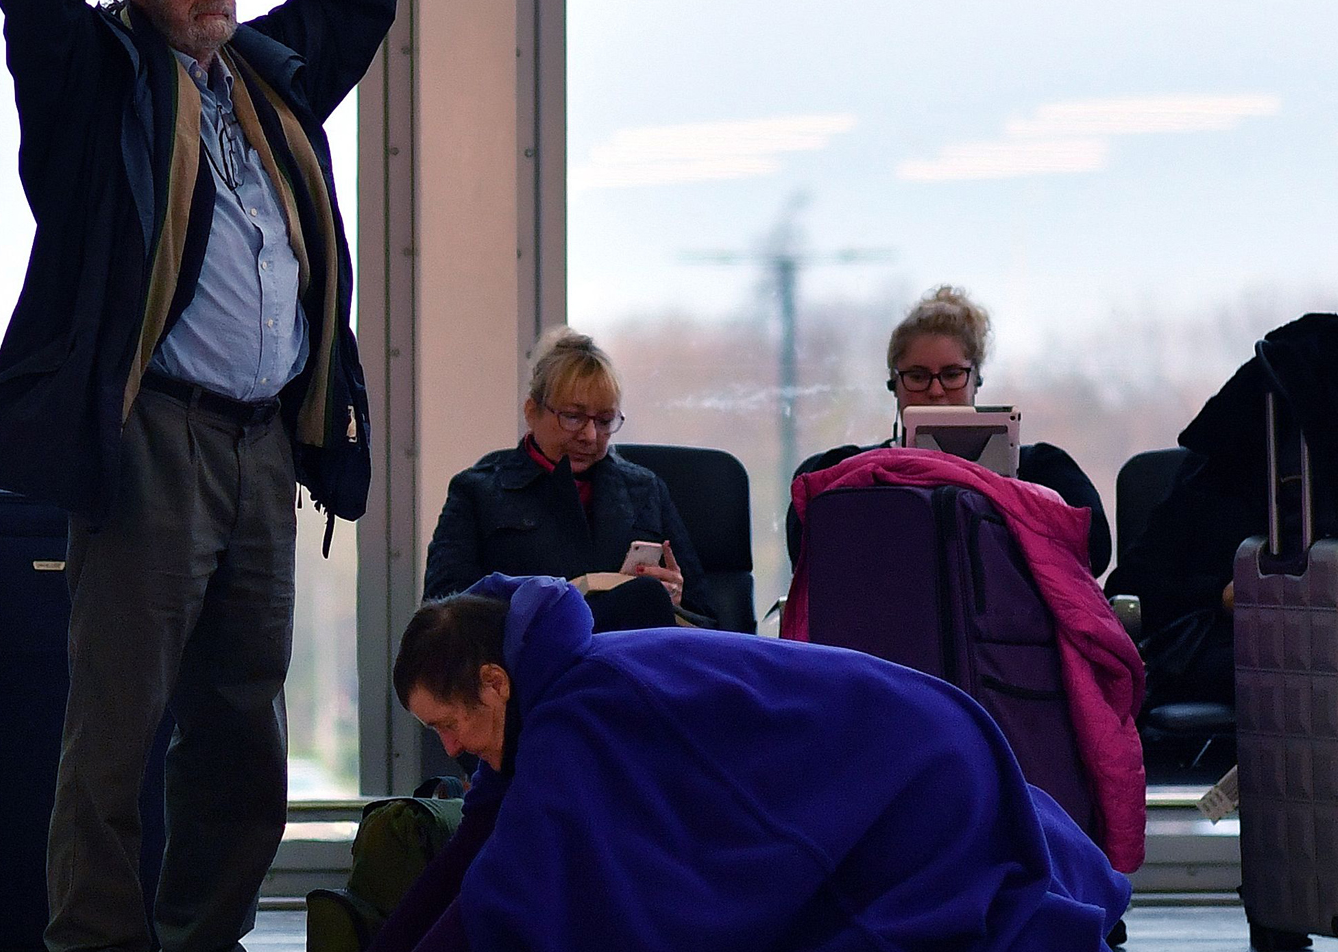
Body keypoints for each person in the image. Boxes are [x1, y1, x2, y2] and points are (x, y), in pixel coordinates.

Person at [0, 0, 394, 952]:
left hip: (264, 441)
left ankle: (206, 936)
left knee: (242, 721)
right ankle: (99, 944)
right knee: (116, 731)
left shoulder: (271, 73)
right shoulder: (94, 83)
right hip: (155, 434)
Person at [374, 575, 1132, 952]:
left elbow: (513, 900)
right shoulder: (543, 682)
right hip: (902, 737)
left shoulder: (576, 714)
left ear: (494, 683)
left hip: (915, 768)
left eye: (448, 724)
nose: (448, 750)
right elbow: (481, 839)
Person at [787, 285, 1112, 576]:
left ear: (976, 379)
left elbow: (1094, 551)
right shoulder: (842, 471)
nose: (936, 390)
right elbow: (808, 560)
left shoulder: (1043, 469)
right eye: (917, 376)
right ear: (893, 385)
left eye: (952, 374)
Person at [424, 327, 710, 631]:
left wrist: (676, 600)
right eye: (573, 417)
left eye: (604, 421)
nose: (589, 436)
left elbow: (709, 620)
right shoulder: (479, 491)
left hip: (627, 659)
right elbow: (443, 616)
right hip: (528, 663)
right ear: (532, 412)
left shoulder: (644, 490)